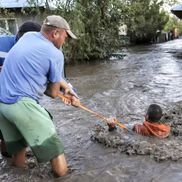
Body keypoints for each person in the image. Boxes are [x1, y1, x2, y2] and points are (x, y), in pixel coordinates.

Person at [0, 15, 80, 177]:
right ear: (55, 33)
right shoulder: (55, 54)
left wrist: (65, 89)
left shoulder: (27, 37)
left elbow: (33, 74)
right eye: (66, 35)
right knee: (56, 151)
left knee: (19, 153)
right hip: (21, 105)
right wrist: (68, 97)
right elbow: (51, 93)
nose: (66, 40)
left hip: (2, 105)